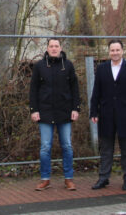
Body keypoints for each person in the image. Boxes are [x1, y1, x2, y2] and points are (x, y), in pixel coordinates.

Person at [89, 39, 126, 191]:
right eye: (112, 50)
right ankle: (103, 177)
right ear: (109, 52)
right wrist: (94, 111)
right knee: (106, 149)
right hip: (106, 115)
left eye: (117, 50)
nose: (115, 53)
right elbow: (96, 92)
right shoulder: (101, 68)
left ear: (122, 51)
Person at [29, 38, 81, 191]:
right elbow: (33, 90)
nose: (53, 48)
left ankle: (68, 178)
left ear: (60, 48)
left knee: (67, 146)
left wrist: (76, 108)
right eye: (51, 46)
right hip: (44, 113)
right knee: (45, 147)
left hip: (64, 113)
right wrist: (34, 110)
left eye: (56, 46)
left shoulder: (68, 65)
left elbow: (75, 89)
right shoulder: (39, 66)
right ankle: (45, 179)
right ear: (47, 48)